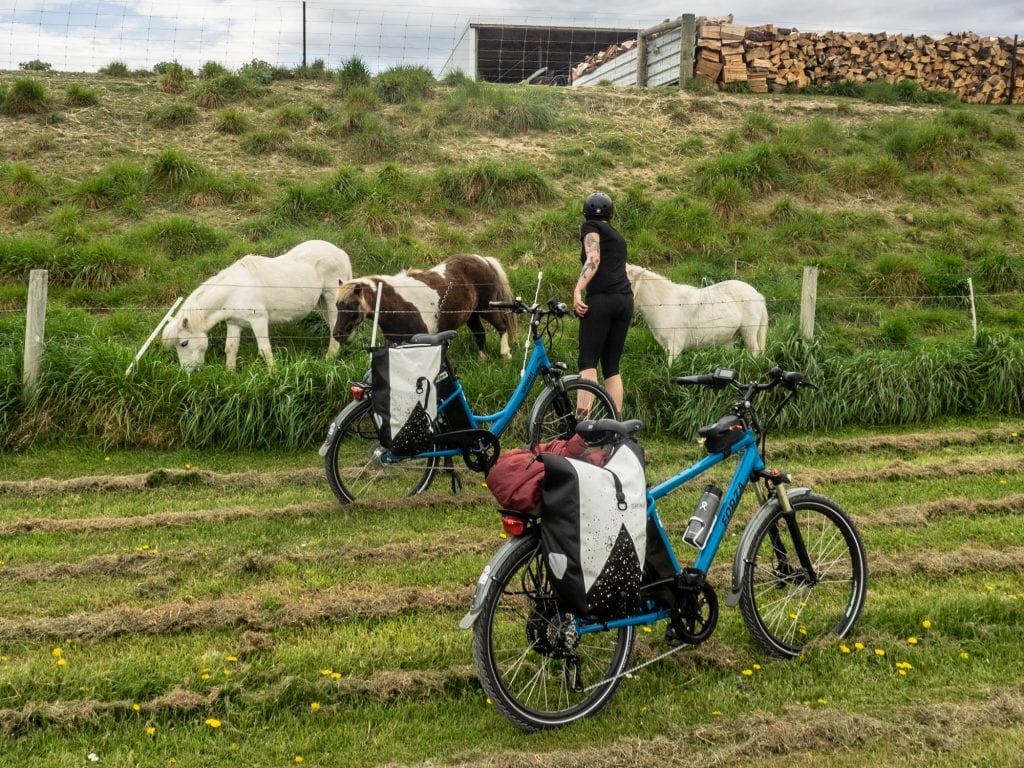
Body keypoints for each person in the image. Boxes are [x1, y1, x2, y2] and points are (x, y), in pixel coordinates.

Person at [572, 191, 633, 415]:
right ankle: (616, 428)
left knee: (587, 362)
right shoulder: (617, 237)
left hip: (602, 300)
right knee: (611, 366)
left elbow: (594, 258)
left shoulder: (590, 227)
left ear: (587, 213)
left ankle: (581, 426)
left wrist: (578, 289)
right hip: (625, 300)